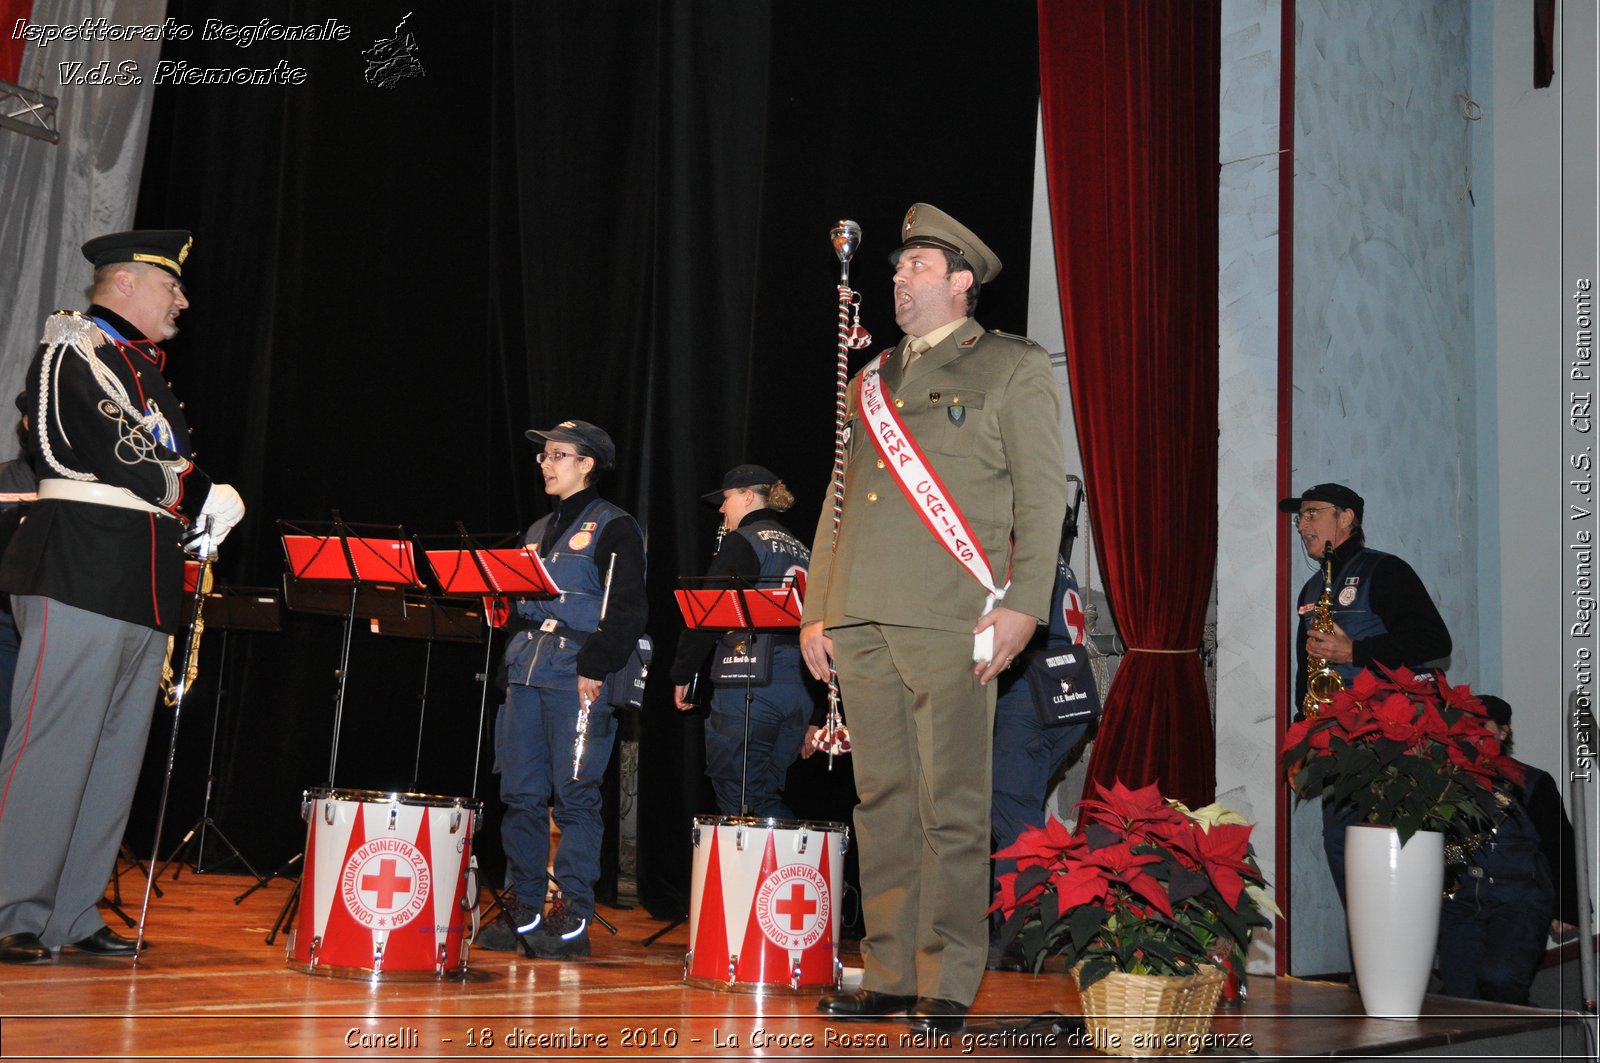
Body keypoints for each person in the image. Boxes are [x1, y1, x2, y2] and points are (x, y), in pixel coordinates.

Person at [801, 204, 1068, 1033]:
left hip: (955, 615)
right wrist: (818, 610)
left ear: (962, 282)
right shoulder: (868, 379)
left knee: (949, 802)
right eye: (896, 267)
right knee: (880, 798)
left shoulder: (1012, 367)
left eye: (916, 265)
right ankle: (886, 969)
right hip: (862, 613)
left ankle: (948, 976)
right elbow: (837, 501)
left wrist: (1026, 605)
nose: (898, 277)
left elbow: (1041, 493)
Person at [0, 230, 246, 964]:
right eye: (171, 286)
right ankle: (13, 902)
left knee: (113, 754)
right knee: (52, 743)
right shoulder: (72, 350)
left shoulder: (142, 366)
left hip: (142, 570)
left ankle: (72, 912)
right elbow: (122, 447)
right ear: (127, 283)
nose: (182, 299)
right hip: (79, 560)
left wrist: (193, 509)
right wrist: (201, 489)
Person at [479, 419, 646, 959]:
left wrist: (595, 667)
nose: (546, 464)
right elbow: (517, 610)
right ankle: (524, 905)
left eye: (557, 455)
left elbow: (625, 609)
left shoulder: (614, 527)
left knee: (574, 797)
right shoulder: (534, 531)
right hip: (526, 676)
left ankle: (572, 913)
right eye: (543, 456)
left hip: (576, 676)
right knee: (520, 796)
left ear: (586, 464)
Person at [1279, 482, 1452, 902]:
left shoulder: (1385, 570)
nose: (1302, 525)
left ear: (1346, 517)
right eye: (1299, 517)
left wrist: (1356, 650)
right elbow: (1309, 671)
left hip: (1390, 739)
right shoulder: (1310, 591)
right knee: (1341, 846)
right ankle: (1367, 953)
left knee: (1393, 843)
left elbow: (1434, 642)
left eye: (1312, 513)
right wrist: (1303, 734)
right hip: (1337, 741)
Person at [670, 464, 816, 818]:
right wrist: (819, 712)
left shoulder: (744, 541)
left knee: (741, 797)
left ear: (748, 496)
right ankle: (795, 871)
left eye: (727, 499)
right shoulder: (803, 548)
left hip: (751, 681)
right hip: (800, 687)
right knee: (764, 792)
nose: (722, 509)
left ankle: (796, 871)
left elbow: (708, 612)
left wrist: (683, 674)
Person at [988, 534, 1098, 969]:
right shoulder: (1055, 558)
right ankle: (1032, 919)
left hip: (1031, 694)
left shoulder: (1018, 552)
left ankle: (1021, 930)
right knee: (1019, 811)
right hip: (1071, 689)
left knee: (1014, 813)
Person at [1437, 695, 1581, 1005]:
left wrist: (1567, 906)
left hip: (1520, 901)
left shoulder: (1532, 782)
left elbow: (1560, 843)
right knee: (1458, 991)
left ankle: (1523, 1037)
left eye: (1481, 726)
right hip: (1459, 902)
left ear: (1503, 732)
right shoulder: (1440, 781)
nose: (1471, 734)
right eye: (1464, 726)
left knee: (1500, 977)